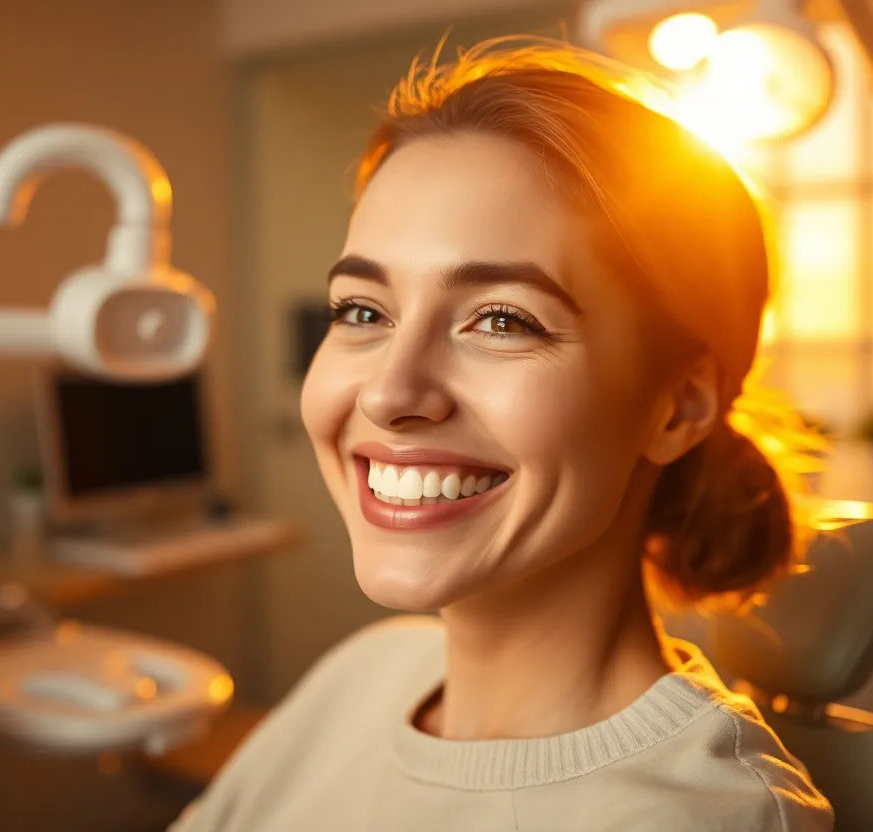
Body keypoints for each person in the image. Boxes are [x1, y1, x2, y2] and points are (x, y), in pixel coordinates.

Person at [172, 37, 833, 832]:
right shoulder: (364, 677)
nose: (390, 393)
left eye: (501, 320)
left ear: (678, 407)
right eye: (362, 312)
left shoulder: (701, 818)